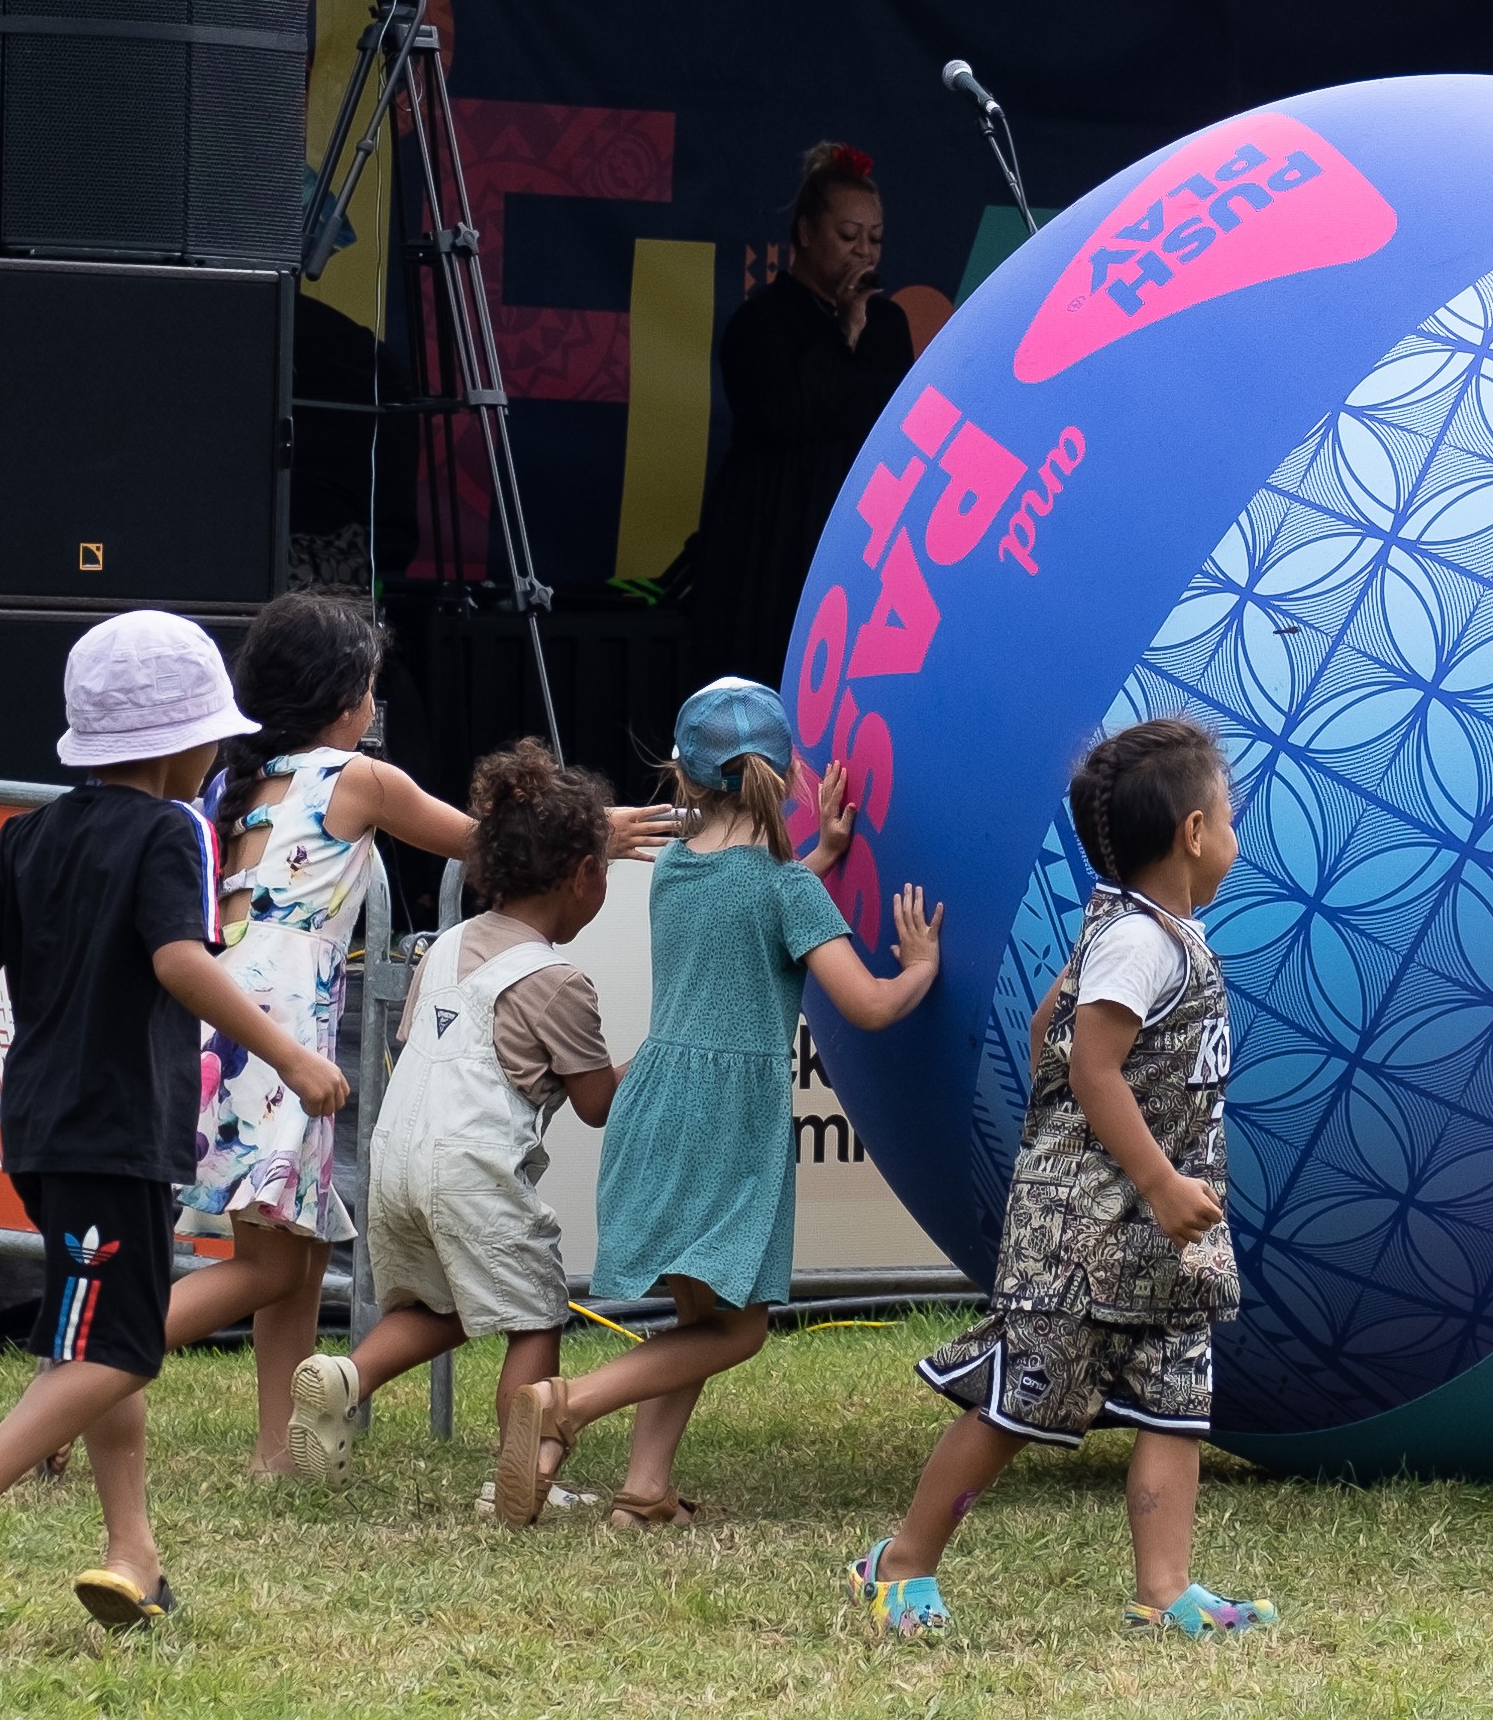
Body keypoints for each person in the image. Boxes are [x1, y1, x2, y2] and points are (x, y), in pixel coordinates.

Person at [0, 611, 343, 1638]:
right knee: (123, 1344)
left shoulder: (32, 832)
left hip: (41, 1123)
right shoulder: (174, 830)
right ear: (182, 746)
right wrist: (292, 1054)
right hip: (115, 1124)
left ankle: (134, 1553)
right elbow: (181, 960)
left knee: (95, 1331)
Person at [163, 592, 671, 1478]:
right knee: (273, 1269)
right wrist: (599, 829)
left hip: (231, 1033)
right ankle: (90, 1361)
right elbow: (490, 844)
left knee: (291, 1249)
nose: (373, 706)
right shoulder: (353, 777)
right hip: (285, 1035)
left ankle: (280, 1450)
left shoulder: (232, 779)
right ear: (342, 698)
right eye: (368, 687)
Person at [855, 717, 1280, 1640]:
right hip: (1090, 1229)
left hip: (1158, 1233)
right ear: (1196, 833)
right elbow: (1090, 1067)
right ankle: (898, 1566)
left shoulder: (1142, 931)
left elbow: (1054, 1018)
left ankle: (1165, 1590)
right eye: (1231, 814)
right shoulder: (1139, 942)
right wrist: (1164, 1182)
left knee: (1175, 1401)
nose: (1237, 833)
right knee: (1022, 1399)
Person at [498, 677, 939, 1527]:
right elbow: (870, 1005)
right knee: (738, 1329)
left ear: (682, 776)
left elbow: (743, 906)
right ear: (789, 774)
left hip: (656, 1103)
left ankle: (644, 1491)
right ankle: (566, 1402)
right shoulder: (785, 891)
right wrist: (917, 964)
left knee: (701, 1311)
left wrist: (819, 857)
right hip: (728, 1121)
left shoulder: (670, 872)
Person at [283, 741, 622, 1508]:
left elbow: (417, 1042)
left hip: (395, 1158)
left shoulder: (444, 948)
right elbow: (598, 1101)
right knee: (535, 1316)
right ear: (581, 877)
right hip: (472, 1168)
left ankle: (349, 1376)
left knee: (441, 1305)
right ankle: (519, 1471)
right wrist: (662, 1060)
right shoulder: (559, 980)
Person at [685, 141, 913, 688]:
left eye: (875, 239)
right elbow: (788, 417)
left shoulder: (889, 324)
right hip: (773, 532)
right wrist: (843, 331)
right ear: (807, 233)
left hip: (854, 523)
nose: (864, 252)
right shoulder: (760, 322)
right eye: (848, 236)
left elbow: (894, 421)